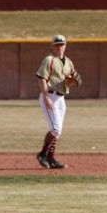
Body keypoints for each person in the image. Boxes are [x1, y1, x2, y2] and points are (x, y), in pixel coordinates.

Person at [35, 34, 80, 170]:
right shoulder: (49, 60)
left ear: (65, 46)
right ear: (52, 47)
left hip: (61, 98)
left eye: (62, 44)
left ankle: (51, 158)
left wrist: (72, 81)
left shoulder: (69, 62)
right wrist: (46, 97)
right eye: (57, 45)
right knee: (55, 129)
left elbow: (70, 80)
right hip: (49, 96)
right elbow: (41, 78)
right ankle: (42, 154)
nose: (60, 47)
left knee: (57, 131)